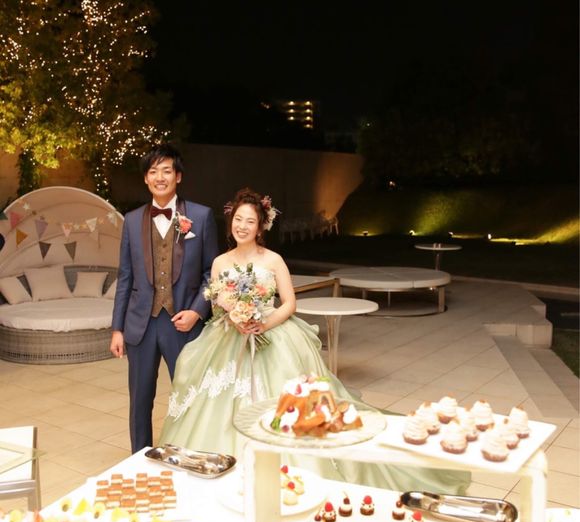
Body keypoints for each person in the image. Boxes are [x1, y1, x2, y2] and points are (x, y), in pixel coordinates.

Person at [159, 188, 469, 494]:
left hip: (271, 332)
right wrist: (237, 315)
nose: (242, 226)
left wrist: (262, 323)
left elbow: (289, 304)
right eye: (238, 219)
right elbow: (219, 300)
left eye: (250, 221)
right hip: (230, 337)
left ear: (261, 226)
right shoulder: (220, 262)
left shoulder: (274, 260)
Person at [111, 144, 219, 453]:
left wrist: (197, 312)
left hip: (183, 323)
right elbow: (125, 276)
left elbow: (213, 273)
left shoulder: (201, 216)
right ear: (146, 178)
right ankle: (139, 459)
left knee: (189, 397)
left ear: (178, 176)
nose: (160, 177)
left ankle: (191, 456)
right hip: (140, 325)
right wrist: (117, 328)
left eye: (167, 171)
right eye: (153, 171)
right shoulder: (132, 220)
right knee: (139, 400)